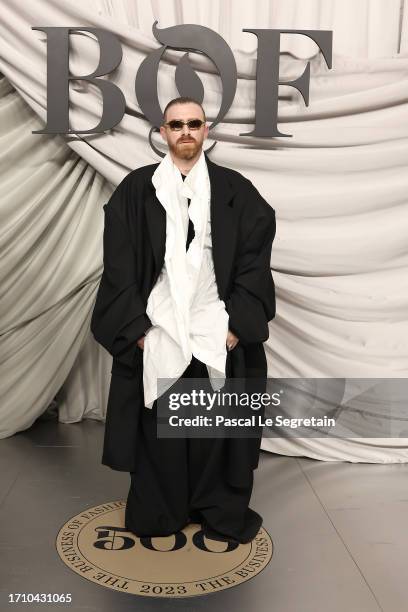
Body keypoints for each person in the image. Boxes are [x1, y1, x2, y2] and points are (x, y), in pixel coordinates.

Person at [90, 96, 276, 544]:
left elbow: (254, 259)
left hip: (215, 321)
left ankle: (216, 506)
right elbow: (118, 264)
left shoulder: (235, 190)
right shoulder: (137, 190)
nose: (186, 132)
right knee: (162, 431)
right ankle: (163, 507)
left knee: (215, 425)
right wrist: (136, 330)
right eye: (177, 125)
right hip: (160, 324)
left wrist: (237, 326)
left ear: (206, 130)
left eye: (194, 123)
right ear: (162, 132)